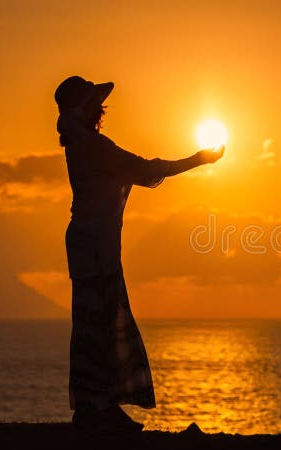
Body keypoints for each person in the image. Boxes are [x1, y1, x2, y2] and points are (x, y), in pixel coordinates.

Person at [54, 76, 224, 433]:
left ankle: (94, 406)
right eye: (95, 105)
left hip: (85, 245)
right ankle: (98, 409)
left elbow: (139, 170)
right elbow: (147, 169)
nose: (101, 111)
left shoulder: (78, 143)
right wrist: (198, 160)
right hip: (97, 248)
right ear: (87, 109)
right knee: (103, 323)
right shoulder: (94, 147)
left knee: (91, 325)